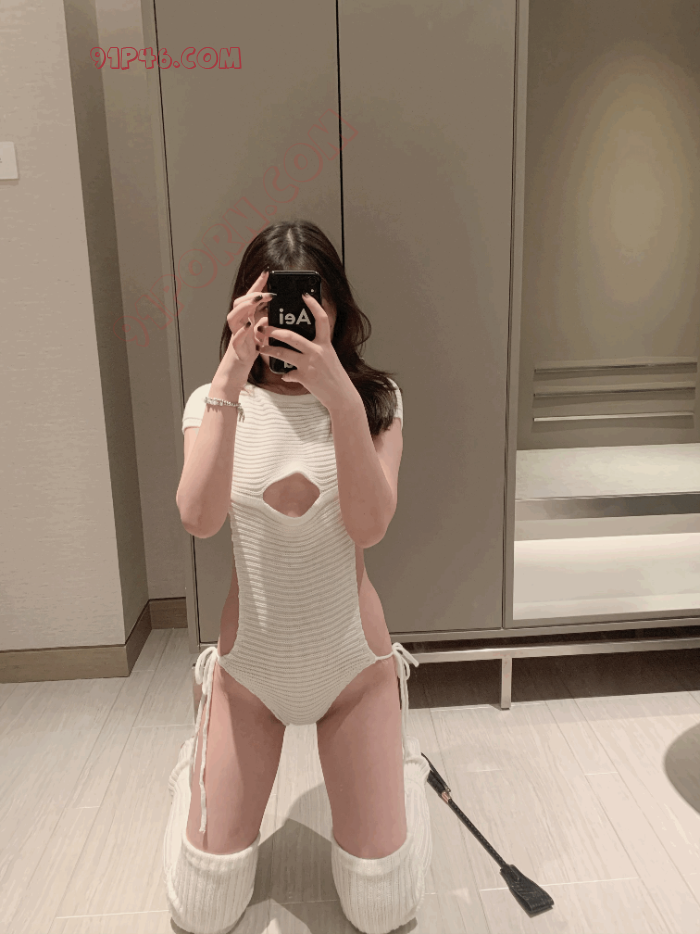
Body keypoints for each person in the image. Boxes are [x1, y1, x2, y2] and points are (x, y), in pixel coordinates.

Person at [163, 220, 433, 934]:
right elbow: (198, 518)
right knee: (203, 908)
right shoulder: (214, 401)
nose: (287, 327)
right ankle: (199, 760)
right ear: (245, 310)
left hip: (352, 669)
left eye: (307, 309)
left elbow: (369, 526)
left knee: (382, 910)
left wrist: (339, 397)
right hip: (249, 676)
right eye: (271, 309)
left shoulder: (376, 401)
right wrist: (229, 373)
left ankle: (400, 769)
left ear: (334, 311)